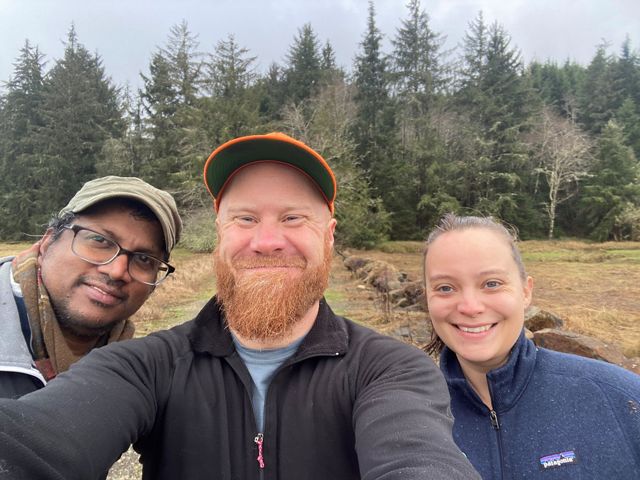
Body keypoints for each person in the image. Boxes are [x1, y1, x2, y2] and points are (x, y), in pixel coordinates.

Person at [0, 133, 479, 480]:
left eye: (293, 218)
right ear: (220, 236)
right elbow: (36, 442)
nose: (267, 242)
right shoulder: (143, 365)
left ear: (329, 236)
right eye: (245, 218)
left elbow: (420, 459)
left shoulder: (393, 370)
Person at [423, 213, 640, 479]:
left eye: (492, 284)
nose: (470, 307)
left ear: (526, 292)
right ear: (427, 297)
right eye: (445, 288)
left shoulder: (621, 398)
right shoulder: (409, 417)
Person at [0, 175, 182, 399]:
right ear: (47, 243)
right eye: (99, 240)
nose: (117, 271)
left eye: (144, 259)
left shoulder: (143, 381)